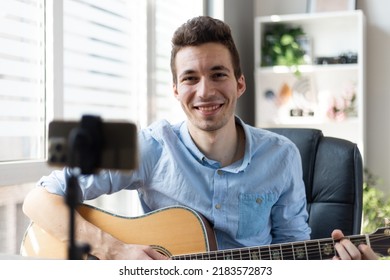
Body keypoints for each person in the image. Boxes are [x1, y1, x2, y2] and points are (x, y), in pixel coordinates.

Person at [22, 16, 377, 260]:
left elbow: (293, 251)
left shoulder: (282, 156)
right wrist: (115, 250)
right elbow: (38, 199)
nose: (205, 91)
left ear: (240, 83)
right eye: (190, 78)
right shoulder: (149, 146)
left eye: (218, 74)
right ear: (176, 90)